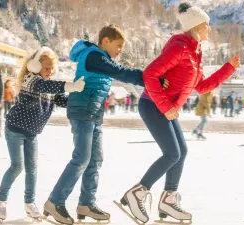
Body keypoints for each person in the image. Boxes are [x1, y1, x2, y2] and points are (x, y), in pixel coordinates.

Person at [118, 3, 240, 223]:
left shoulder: (194, 52)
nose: (209, 29)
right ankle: (137, 193)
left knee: (181, 151)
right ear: (196, 26)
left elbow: (201, 87)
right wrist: (166, 106)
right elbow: (150, 74)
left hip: (165, 108)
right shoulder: (181, 48)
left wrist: (227, 69)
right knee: (172, 153)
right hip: (153, 104)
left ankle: (168, 200)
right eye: (206, 25)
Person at [44, 24, 168, 225]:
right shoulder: (94, 56)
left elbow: (114, 72)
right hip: (82, 111)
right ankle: (54, 201)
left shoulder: (101, 59)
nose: (120, 51)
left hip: (93, 114)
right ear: (106, 41)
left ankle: (86, 203)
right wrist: (150, 78)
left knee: (95, 160)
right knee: (81, 158)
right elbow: (120, 72)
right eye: (118, 46)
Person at [0, 46, 85, 223]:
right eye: (46, 68)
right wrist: (71, 86)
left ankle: (30, 204)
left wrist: (81, 96)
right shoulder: (31, 79)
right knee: (17, 166)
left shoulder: (49, 85)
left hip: (32, 133)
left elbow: (62, 100)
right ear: (34, 66)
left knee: (32, 169)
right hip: (15, 130)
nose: (49, 72)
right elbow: (44, 85)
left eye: (51, 68)